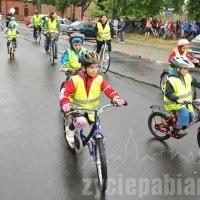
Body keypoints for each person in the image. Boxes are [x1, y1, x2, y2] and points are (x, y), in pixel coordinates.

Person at [59, 51, 125, 147]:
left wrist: (116, 98)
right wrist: (65, 103)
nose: (94, 70)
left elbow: (107, 89)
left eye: (96, 67)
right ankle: (70, 129)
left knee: (96, 127)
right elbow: (64, 91)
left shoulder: (99, 79)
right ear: (84, 68)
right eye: (91, 67)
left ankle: (98, 149)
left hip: (92, 110)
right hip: (77, 108)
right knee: (81, 121)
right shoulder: (75, 79)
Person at [164, 56, 200, 136]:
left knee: (192, 116)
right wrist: (177, 99)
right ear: (178, 68)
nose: (187, 71)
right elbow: (168, 93)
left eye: (188, 69)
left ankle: (179, 124)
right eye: (185, 69)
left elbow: (196, 83)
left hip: (186, 102)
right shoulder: (171, 80)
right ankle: (178, 129)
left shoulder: (187, 76)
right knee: (185, 114)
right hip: (174, 103)